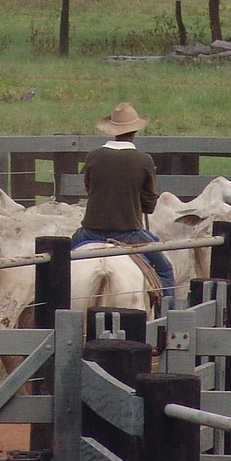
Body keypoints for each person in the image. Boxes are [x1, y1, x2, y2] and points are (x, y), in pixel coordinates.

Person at [72, 102, 176, 307]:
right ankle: (167, 319)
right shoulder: (144, 160)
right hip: (129, 234)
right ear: (135, 131)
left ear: (112, 130)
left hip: (90, 232)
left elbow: (89, 188)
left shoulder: (93, 156)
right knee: (165, 270)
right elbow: (149, 204)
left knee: (56, 263)